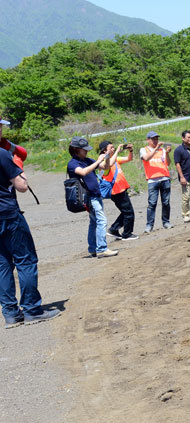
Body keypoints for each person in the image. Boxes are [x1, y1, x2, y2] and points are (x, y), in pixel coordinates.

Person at [0, 119, 60, 328]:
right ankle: (32, 310)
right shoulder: (2, 154)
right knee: (25, 260)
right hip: (8, 214)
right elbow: (22, 186)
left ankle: (10, 314)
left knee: (3, 266)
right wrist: (19, 169)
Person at [66, 137, 119, 258]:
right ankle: (101, 248)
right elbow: (83, 172)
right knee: (101, 220)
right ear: (76, 150)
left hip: (95, 194)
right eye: (84, 150)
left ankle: (93, 248)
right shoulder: (73, 163)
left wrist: (105, 159)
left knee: (94, 222)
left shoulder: (86, 160)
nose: (86, 152)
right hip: (88, 196)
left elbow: (105, 167)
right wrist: (97, 161)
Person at [99, 141, 138, 241]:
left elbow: (129, 158)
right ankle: (127, 234)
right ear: (104, 150)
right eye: (111, 148)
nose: (113, 149)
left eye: (113, 147)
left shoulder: (115, 159)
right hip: (116, 191)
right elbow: (109, 164)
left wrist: (131, 150)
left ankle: (113, 229)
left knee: (125, 212)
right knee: (129, 212)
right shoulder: (103, 161)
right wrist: (117, 150)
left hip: (121, 189)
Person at [139, 131, 172, 233]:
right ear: (148, 140)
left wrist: (166, 153)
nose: (155, 141)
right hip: (152, 180)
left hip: (165, 178)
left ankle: (166, 222)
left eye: (156, 139)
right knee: (152, 203)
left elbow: (168, 163)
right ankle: (149, 225)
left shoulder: (161, 150)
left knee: (166, 202)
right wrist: (156, 148)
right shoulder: (143, 150)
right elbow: (146, 158)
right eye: (153, 139)